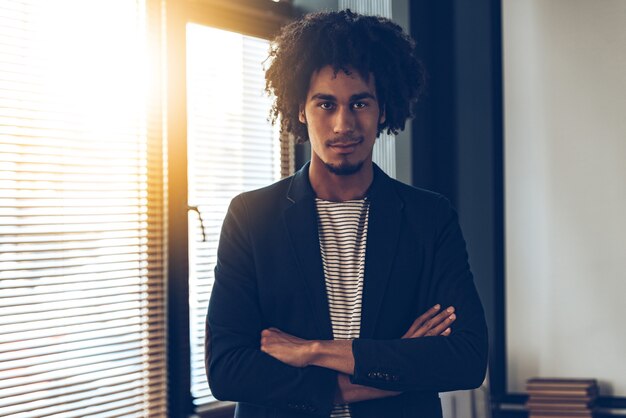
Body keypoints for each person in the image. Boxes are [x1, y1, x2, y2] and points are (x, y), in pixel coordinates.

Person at [206, 9, 488, 418]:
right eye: (325, 104)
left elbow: (465, 358)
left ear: (384, 110)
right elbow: (228, 370)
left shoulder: (429, 217)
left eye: (360, 102)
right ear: (300, 109)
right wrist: (393, 368)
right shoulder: (251, 216)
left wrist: (313, 351)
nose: (343, 124)